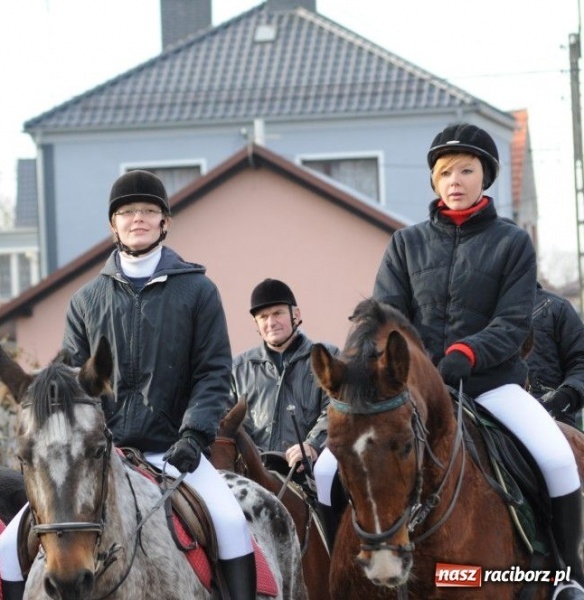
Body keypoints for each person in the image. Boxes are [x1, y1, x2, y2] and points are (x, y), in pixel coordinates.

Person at [314, 123, 584, 598]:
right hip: (411, 390)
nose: (454, 179)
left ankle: (564, 575)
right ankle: (341, 570)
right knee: (323, 472)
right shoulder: (405, 243)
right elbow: (382, 318)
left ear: (486, 177)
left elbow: (513, 321)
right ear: (434, 182)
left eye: (466, 169)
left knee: (558, 459)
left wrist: (467, 352)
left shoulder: (512, 242)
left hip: (491, 386)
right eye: (444, 172)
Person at [0, 170, 255, 600]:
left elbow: (213, 372)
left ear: (164, 222)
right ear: (112, 225)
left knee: (230, 524)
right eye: (128, 212)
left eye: (149, 211)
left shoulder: (199, 292)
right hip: (100, 456)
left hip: (175, 451)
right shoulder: (85, 301)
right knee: (7, 546)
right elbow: (72, 387)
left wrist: (194, 434)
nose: (138, 219)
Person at [233, 278, 335, 474]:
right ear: (255, 323)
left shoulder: (327, 358)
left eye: (277, 313)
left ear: (295, 315)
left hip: (311, 469)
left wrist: (312, 445)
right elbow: (227, 422)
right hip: (254, 473)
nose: (271, 323)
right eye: (263, 317)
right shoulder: (237, 369)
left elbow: (337, 408)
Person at [527, 282, 584, 429]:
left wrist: (566, 395)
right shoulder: (472, 313)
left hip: (553, 420)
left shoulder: (557, 307)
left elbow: (580, 362)